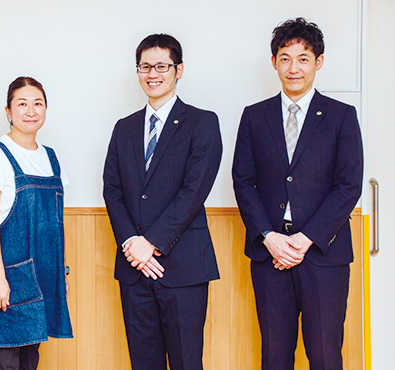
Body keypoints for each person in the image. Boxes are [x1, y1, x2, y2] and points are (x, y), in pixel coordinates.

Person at [232, 18, 363, 370]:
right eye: (285, 57)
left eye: (303, 58)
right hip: (269, 255)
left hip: (324, 255)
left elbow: (348, 184)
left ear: (318, 62)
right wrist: (269, 238)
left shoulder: (341, 116)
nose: (294, 67)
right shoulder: (254, 117)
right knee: (275, 356)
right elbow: (243, 182)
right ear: (273, 62)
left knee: (324, 355)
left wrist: (305, 239)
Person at [102, 34, 223, 370]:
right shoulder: (123, 128)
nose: (152, 74)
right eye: (145, 67)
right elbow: (112, 190)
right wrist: (132, 245)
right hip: (134, 268)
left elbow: (194, 190)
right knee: (143, 363)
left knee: (186, 362)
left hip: (183, 267)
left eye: (161, 66)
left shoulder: (202, 122)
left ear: (178, 70)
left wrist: (150, 244)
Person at [0, 76, 73, 370]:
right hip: (9, 278)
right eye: (22, 104)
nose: (31, 111)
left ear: (45, 109)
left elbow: (56, 225)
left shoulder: (51, 158)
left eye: (38, 103)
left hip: (42, 276)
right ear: (8, 111)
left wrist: (62, 271)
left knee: (30, 360)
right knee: (4, 360)